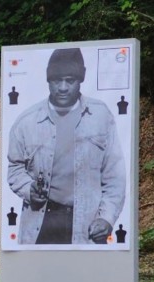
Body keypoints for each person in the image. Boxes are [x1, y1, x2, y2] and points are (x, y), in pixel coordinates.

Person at [7, 48, 125, 245]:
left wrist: (107, 217)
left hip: (87, 223)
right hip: (41, 222)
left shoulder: (101, 116)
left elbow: (114, 174)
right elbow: (15, 168)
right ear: (48, 81)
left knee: (86, 276)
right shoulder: (26, 122)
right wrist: (29, 190)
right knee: (39, 275)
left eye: (70, 80)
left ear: (80, 80)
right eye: (56, 80)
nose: (62, 87)